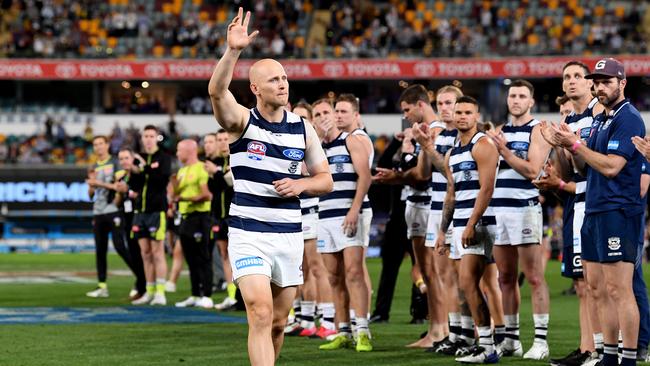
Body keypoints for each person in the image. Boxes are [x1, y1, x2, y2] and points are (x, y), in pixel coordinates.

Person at [207, 8, 333, 365]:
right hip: (249, 233)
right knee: (259, 313)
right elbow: (217, 93)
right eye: (274, 79)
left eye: (284, 78)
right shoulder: (242, 123)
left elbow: (326, 180)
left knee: (278, 323)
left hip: (289, 235)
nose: (282, 84)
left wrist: (302, 184)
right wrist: (232, 52)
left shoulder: (302, 128)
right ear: (255, 88)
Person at [545, 58, 645, 366]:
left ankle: (628, 358)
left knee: (619, 289)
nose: (600, 87)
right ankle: (608, 355)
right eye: (597, 82)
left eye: (607, 81)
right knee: (597, 288)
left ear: (622, 83)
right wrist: (563, 145)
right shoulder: (603, 119)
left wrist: (575, 145)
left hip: (618, 209)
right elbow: (583, 165)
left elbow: (613, 167)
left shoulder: (627, 118)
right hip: (594, 209)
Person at [536, 62, 604, 366]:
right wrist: (557, 151)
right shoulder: (572, 120)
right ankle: (588, 347)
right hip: (578, 203)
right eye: (567, 77)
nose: (572, 81)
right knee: (583, 284)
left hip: (602, 203)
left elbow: (602, 161)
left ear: (590, 84)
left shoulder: (602, 113)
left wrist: (572, 145)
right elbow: (568, 175)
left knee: (603, 284)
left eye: (578, 76)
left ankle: (610, 350)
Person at [486, 79, 551, 360]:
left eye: (522, 96)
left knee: (534, 277)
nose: (515, 100)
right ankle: (512, 339)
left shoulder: (537, 130)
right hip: (498, 210)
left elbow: (533, 170)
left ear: (531, 102)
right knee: (506, 278)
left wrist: (504, 151)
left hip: (524, 209)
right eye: (512, 95)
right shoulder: (499, 131)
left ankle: (540, 340)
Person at [435, 95, 500, 364]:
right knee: (464, 287)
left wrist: (472, 223)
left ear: (476, 115)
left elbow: (487, 189)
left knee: (468, 283)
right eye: (458, 111)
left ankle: (488, 346)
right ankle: (478, 342)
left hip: (478, 224)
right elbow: (451, 195)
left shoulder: (483, 145)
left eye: (467, 112)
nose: (461, 116)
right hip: (459, 225)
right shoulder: (452, 152)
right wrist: (442, 230)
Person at [317, 94, 374, 352]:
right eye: (335, 112)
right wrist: (317, 140)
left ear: (354, 115)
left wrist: (354, 210)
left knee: (354, 272)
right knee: (334, 277)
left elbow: (365, 177)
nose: (337, 116)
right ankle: (343, 331)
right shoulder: (319, 147)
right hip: (325, 215)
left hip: (349, 214)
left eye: (340, 112)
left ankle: (363, 330)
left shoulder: (353, 140)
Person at [289, 101, 336, 339]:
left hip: (313, 210)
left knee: (318, 268)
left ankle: (328, 320)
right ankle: (305, 318)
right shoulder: (288, 140)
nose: (297, 121)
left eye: (302, 118)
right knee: (302, 269)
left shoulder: (314, 144)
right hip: (295, 211)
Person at [85, 135, 137, 298]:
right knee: (100, 250)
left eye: (101, 143)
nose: (98, 147)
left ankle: (140, 277)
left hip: (113, 209)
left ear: (107, 145)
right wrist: (92, 184)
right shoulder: (93, 166)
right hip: (98, 211)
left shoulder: (115, 163)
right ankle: (102, 286)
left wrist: (99, 183)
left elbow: (119, 186)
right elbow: (90, 195)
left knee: (120, 246)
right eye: (95, 144)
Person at [130, 125, 172, 306]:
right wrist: (134, 171)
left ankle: (161, 293)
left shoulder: (163, 158)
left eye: (151, 136)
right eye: (145, 136)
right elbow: (135, 184)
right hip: (140, 211)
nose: (148, 139)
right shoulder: (138, 158)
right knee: (145, 253)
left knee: (157, 253)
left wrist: (144, 168)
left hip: (156, 210)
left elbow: (161, 179)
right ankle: (149, 290)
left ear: (157, 138)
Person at [171, 139, 214, 309]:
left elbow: (207, 195)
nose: (176, 153)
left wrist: (184, 198)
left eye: (178, 150)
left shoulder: (201, 168)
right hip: (185, 217)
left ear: (189, 151)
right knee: (190, 258)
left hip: (200, 217)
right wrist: (174, 188)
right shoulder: (182, 171)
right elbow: (176, 193)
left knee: (203, 256)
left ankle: (208, 295)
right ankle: (195, 294)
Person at [205, 130, 238, 311]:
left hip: (236, 215)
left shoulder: (238, 158)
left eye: (226, 139)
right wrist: (216, 173)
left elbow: (230, 182)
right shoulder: (216, 162)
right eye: (219, 140)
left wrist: (216, 172)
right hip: (219, 215)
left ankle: (241, 296)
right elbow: (214, 188)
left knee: (236, 255)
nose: (223, 143)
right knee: (224, 254)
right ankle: (231, 295)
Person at [114, 148, 147, 300]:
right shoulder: (121, 178)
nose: (124, 161)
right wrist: (120, 192)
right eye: (121, 159)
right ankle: (141, 284)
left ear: (133, 158)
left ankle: (144, 286)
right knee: (134, 254)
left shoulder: (139, 175)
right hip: (127, 219)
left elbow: (144, 194)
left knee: (143, 255)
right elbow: (116, 203)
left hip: (140, 218)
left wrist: (128, 190)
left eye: (126, 158)